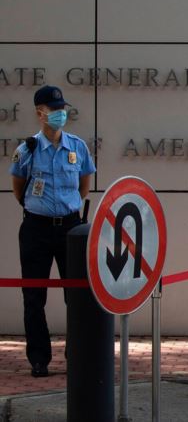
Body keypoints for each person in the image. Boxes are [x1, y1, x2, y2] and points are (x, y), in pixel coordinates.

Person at [9, 85, 95, 377]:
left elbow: (84, 185)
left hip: (71, 227)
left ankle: (79, 353)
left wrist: (67, 208)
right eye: (54, 110)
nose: (60, 114)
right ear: (40, 113)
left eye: (62, 109)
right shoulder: (26, 150)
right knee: (34, 296)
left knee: (77, 295)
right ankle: (39, 358)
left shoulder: (78, 147)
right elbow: (18, 189)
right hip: (36, 228)